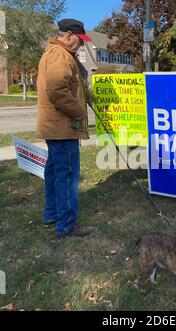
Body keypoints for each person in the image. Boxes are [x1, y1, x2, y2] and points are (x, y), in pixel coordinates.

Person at [37, 19, 93, 238]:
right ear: (69, 35)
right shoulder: (60, 55)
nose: (80, 45)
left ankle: (51, 214)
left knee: (54, 173)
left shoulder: (53, 53)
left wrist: (86, 97)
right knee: (67, 176)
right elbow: (58, 90)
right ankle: (67, 225)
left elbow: (68, 86)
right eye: (79, 41)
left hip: (54, 127)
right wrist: (80, 112)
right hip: (63, 127)